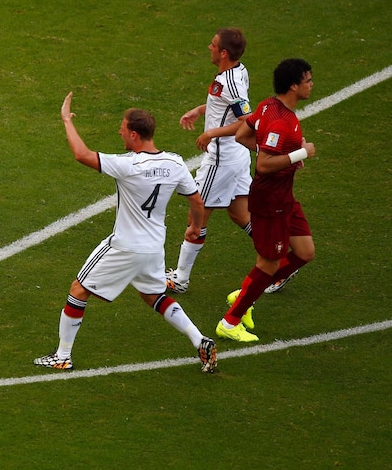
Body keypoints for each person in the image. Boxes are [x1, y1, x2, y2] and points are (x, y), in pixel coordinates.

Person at [34, 93, 217, 373]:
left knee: (79, 289)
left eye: (122, 128)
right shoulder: (176, 162)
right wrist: (195, 226)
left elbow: (81, 154)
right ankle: (199, 339)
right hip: (154, 247)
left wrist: (66, 120)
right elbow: (196, 200)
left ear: (134, 134)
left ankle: (62, 355)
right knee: (153, 296)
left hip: (125, 246)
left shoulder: (128, 165)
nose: (118, 132)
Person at [215, 59, 316, 342]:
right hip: (271, 200)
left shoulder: (268, 106)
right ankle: (230, 321)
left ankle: (248, 290)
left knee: (305, 252)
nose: (311, 84)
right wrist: (300, 154)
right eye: (307, 79)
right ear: (294, 85)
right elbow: (263, 165)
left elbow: (242, 135)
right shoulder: (281, 122)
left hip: (284, 196)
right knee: (268, 264)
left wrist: (287, 153)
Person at [166, 28, 254, 293]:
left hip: (221, 160)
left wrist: (212, 131)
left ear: (224, 52)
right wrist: (201, 110)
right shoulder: (238, 71)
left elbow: (246, 122)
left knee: (197, 216)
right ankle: (281, 257)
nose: (209, 47)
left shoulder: (231, 82)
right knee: (240, 214)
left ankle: (180, 278)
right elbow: (228, 107)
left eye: (213, 45)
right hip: (237, 157)